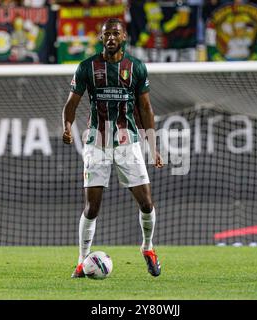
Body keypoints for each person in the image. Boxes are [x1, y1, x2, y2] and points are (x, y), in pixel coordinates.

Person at [62, 18, 163, 278]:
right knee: (92, 207)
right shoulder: (87, 67)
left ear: (124, 37)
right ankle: (82, 260)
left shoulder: (136, 67)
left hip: (128, 142)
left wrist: (153, 146)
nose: (111, 38)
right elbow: (72, 102)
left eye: (115, 33)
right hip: (97, 142)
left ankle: (148, 248)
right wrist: (67, 126)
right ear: (100, 38)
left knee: (146, 203)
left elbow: (145, 109)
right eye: (106, 34)